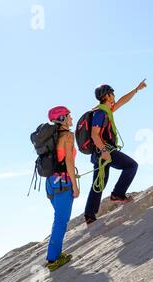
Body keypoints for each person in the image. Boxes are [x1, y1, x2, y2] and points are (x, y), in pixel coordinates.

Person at [84, 80, 146, 225]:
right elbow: (94, 134)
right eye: (112, 93)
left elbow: (123, 101)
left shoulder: (106, 110)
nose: (114, 96)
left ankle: (89, 215)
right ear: (108, 95)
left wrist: (136, 89)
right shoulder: (100, 112)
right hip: (104, 150)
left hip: (99, 152)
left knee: (99, 183)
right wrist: (105, 151)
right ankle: (117, 194)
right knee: (131, 165)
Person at [45, 106, 80, 271]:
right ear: (62, 119)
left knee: (58, 219)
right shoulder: (67, 136)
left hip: (50, 183)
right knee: (60, 221)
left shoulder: (51, 137)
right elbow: (69, 163)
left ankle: (56, 255)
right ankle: (52, 260)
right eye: (69, 116)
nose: (71, 119)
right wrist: (75, 185)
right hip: (63, 183)